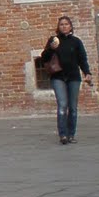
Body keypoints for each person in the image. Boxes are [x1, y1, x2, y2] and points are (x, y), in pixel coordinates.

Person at [41, 15, 92, 144]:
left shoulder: (76, 41)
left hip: (74, 77)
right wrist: (51, 48)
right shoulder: (54, 40)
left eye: (66, 24)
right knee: (62, 105)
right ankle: (63, 135)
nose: (64, 26)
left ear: (70, 27)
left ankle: (71, 134)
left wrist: (87, 72)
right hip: (58, 76)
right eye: (61, 24)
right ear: (58, 27)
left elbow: (82, 59)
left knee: (73, 107)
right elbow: (44, 58)